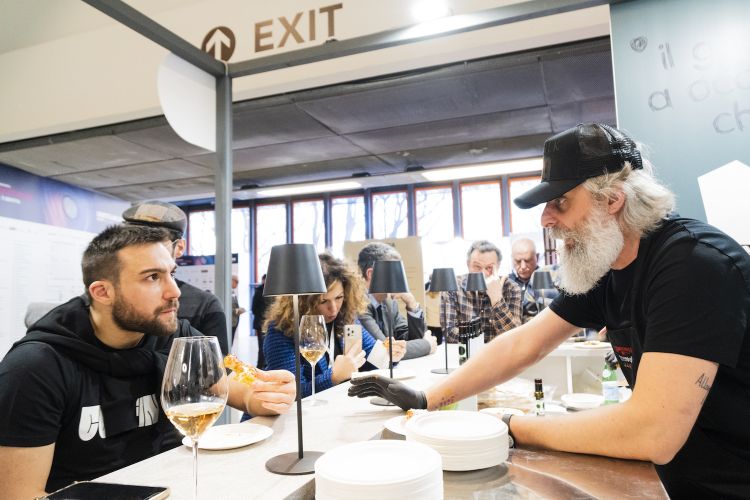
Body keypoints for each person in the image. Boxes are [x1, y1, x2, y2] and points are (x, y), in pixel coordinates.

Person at [349, 123, 750, 498]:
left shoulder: (693, 265)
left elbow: (653, 430)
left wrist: (511, 426)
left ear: (613, 199)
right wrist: (427, 397)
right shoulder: (609, 266)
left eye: (560, 202)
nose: (545, 219)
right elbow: (525, 343)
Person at [0, 225, 296, 498]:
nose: (175, 291)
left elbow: (229, 389)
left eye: (171, 273)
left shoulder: (174, 336)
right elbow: (19, 495)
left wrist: (265, 395)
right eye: (153, 278)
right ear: (102, 292)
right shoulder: (34, 369)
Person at [263, 253, 406, 399]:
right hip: (279, 419)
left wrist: (391, 355)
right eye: (323, 301)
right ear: (304, 302)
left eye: (339, 298)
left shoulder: (346, 319)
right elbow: (290, 393)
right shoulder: (282, 330)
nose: (333, 309)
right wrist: (333, 376)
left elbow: (375, 360)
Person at [122, 201, 230, 355]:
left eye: (156, 242)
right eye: (135, 241)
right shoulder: (112, 295)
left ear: (179, 247)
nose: (144, 249)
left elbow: (217, 368)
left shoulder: (204, 305)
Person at [357, 242, 437, 360]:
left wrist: (412, 304)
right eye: (393, 272)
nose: (398, 278)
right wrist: (427, 345)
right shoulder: (358, 303)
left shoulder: (389, 303)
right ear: (371, 274)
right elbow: (385, 350)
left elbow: (411, 338)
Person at [440, 240, 522, 343]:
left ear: (498, 266)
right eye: (477, 267)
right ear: (468, 265)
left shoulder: (511, 288)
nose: (483, 274)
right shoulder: (453, 288)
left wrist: (496, 299)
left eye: (489, 268)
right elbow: (449, 333)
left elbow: (515, 336)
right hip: (467, 355)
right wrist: (481, 342)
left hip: (502, 355)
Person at [508, 238, 559, 323]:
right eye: (518, 261)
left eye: (528, 260)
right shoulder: (506, 284)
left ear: (537, 257)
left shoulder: (551, 278)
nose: (523, 266)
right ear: (512, 259)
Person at [251, 274, 272, 369]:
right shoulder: (264, 291)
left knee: (263, 346)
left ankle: (262, 366)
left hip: (264, 323)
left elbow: (254, 308)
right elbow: (254, 309)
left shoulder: (258, 291)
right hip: (263, 324)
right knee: (264, 347)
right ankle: (261, 367)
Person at [230, 274, 246, 339]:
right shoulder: (226, 292)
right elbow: (225, 308)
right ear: (231, 281)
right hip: (230, 322)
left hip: (234, 322)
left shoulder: (232, 292)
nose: (237, 284)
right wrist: (237, 310)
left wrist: (239, 309)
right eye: (236, 282)